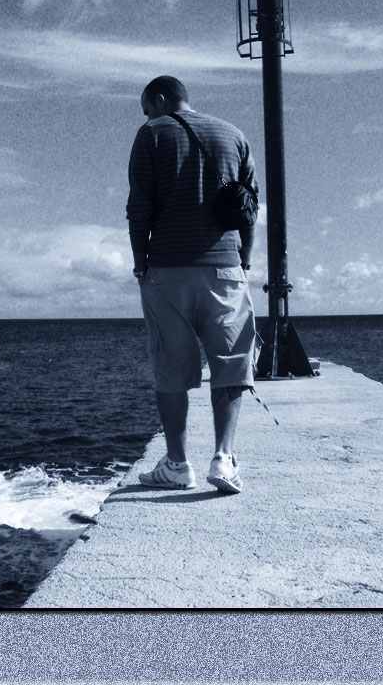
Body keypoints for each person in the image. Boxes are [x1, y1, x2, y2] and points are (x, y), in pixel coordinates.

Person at [126, 75, 258, 494]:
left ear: (160, 99)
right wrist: (244, 258)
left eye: (147, 108)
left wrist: (141, 264)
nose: (147, 116)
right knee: (231, 362)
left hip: (166, 270)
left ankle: (178, 465)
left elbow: (139, 207)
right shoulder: (234, 134)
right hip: (225, 268)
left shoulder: (152, 134)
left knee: (171, 368)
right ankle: (223, 458)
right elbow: (249, 204)